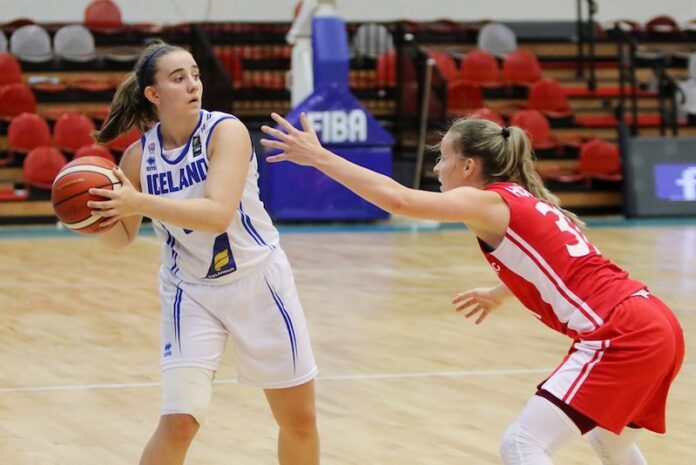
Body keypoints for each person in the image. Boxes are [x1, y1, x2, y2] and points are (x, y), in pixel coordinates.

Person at [259, 113, 684, 465]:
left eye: (443, 158)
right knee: (609, 442)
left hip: (621, 333)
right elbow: (563, 264)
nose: (436, 168)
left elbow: (400, 201)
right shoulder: (523, 199)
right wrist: (501, 291)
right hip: (656, 321)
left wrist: (319, 157)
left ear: (468, 167)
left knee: (521, 444)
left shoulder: (489, 201)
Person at [89, 42, 320, 465]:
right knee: (179, 421)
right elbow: (121, 239)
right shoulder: (138, 157)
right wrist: (94, 218)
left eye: (195, 75)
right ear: (154, 94)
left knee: (299, 421)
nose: (193, 84)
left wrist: (138, 202)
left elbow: (217, 214)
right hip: (190, 291)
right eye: (178, 78)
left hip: (258, 282)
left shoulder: (225, 132)